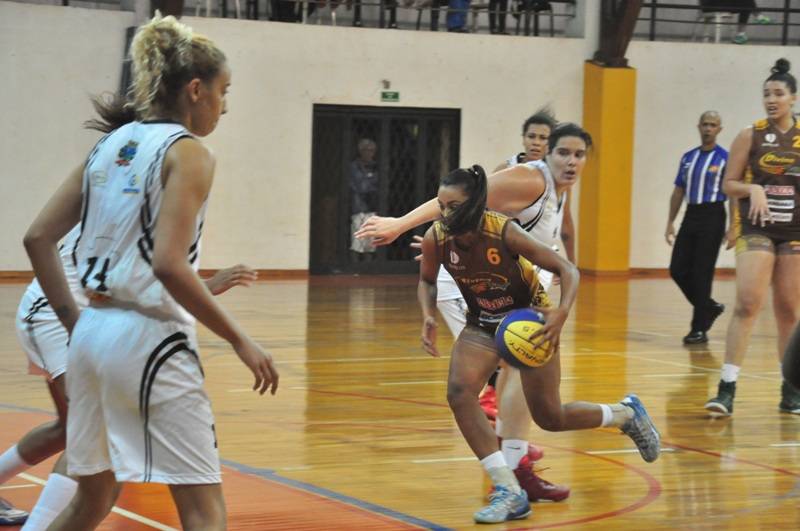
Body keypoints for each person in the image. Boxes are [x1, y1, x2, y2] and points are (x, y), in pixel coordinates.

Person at [22, 14, 278, 530]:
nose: (225, 106)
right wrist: (239, 339)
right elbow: (167, 264)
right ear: (196, 90)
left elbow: (37, 237)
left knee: (92, 499)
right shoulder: (189, 152)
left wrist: (76, 324)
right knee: (203, 509)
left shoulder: (109, 144)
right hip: (151, 339)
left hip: (92, 336)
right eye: (224, 91)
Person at [418, 164, 660, 523]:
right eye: (441, 206)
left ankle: (625, 414)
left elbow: (568, 269)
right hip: (481, 322)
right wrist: (427, 315)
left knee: (551, 417)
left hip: (528, 322)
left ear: (474, 206)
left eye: (453, 206)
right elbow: (426, 281)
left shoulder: (504, 231)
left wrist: (561, 312)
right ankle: (508, 489)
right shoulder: (436, 237)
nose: (444, 213)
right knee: (458, 393)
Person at [363, 115, 577, 504]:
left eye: (577, 153)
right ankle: (511, 462)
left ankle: (513, 456)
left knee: (518, 369)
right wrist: (402, 225)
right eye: (559, 149)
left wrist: (565, 266)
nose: (569, 159)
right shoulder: (525, 178)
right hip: (471, 284)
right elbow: (450, 203)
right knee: (510, 368)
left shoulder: (560, 187)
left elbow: (561, 231)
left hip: (507, 283)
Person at [0, 221, 256, 529]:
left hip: (85, 311)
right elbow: (153, 276)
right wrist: (214, 297)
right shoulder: (152, 201)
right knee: (97, 434)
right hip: (62, 313)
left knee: (71, 431)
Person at [705, 58, 800, 416]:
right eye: (766, 94)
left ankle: (791, 390)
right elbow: (728, 183)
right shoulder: (751, 134)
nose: (771, 100)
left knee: (789, 309)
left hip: (794, 230)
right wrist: (753, 189)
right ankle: (726, 389)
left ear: (793, 98)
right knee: (748, 303)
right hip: (756, 227)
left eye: (778, 94)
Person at [665, 111, 732, 345]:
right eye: (705, 124)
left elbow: (733, 194)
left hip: (713, 215)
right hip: (691, 214)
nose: (708, 129)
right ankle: (709, 307)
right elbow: (678, 191)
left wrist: (734, 226)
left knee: (702, 272)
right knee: (677, 268)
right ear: (699, 126)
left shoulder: (725, 158)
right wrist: (670, 222)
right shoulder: (688, 158)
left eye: (713, 125)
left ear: (719, 129)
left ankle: (699, 329)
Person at [350, 138, 379, 261]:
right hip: (358, 207)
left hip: (373, 207)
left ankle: (369, 267)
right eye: (367, 150)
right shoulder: (354, 166)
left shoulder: (376, 166)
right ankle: (355, 267)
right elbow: (361, 187)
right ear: (360, 151)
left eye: (372, 150)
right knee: (357, 241)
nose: (369, 153)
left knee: (370, 243)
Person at [699, 0, 770, 45]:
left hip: (719, 3)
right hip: (710, 4)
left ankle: (740, 35)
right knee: (747, 3)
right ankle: (758, 17)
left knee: (746, 5)